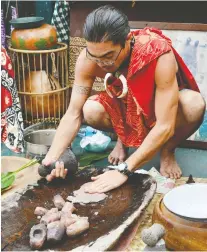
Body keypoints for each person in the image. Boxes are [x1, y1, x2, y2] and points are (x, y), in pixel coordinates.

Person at [42, 5, 206, 193]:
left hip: (159, 108)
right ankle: (123, 140)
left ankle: (168, 150)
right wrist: (51, 159)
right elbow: (73, 113)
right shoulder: (88, 59)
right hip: (122, 104)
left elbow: (165, 125)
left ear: (127, 40)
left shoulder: (157, 53)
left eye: (108, 56)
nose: (102, 64)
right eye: (95, 57)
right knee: (89, 109)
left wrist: (124, 170)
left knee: (194, 105)